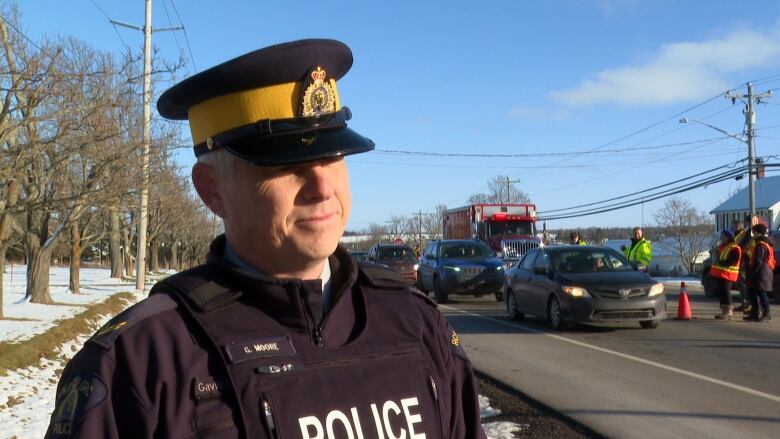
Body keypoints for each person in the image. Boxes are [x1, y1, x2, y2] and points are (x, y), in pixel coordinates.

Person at [45, 40, 486, 439]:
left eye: (332, 156)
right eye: (287, 163)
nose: (322, 186)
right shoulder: (142, 361)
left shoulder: (417, 322)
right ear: (211, 189)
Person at [744, 222, 775, 322]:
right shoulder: (764, 243)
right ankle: (755, 313)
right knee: (752, 292)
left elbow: (758, 261)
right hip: (764, 272)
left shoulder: (761, 245)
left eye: (754, 231)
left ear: (759, 233)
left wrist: (751, 273)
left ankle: (767, 313)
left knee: (761, 293)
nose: (753, 234)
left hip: (761, 273)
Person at [709, 230, 742, 320]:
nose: (721, 237)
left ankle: (728, 311)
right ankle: (724, 311)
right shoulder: (723, 246)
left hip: (728, 274)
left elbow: (733, 261)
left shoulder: (734, 247)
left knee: (726, 292)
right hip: (720, 274)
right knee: (722, 292)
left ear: (728, 237)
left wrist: (721, 262)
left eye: (723, 236)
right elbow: (715, 256)